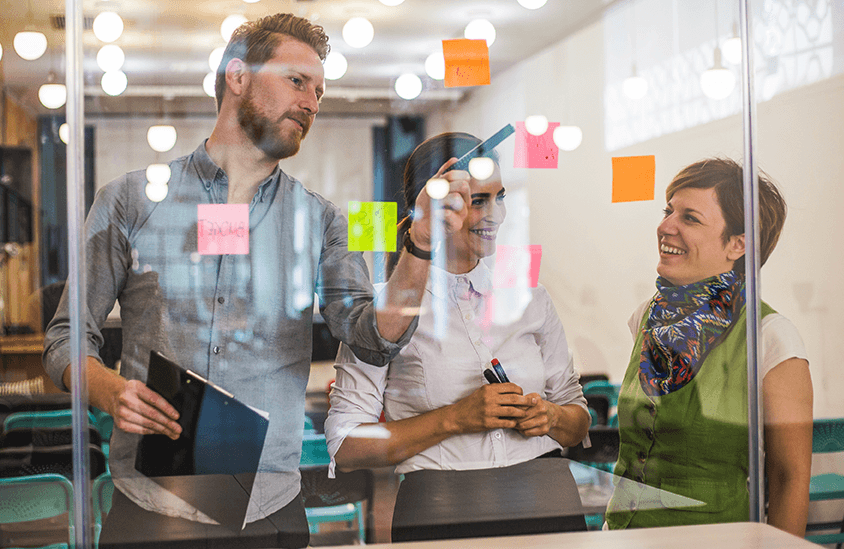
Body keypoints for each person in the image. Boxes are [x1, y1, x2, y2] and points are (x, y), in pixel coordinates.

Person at [42, 13, 470, 546]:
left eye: (320, 90)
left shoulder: (322, 220)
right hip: (151, 506)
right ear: (237, 76)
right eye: (297, 81)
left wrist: (421, 246)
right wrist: (109, 390)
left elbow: (373, 338)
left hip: (269, 514)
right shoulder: (130, 200)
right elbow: (65, 338)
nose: (312, 102)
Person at [325, 133, 592, 533]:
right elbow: (347, 447)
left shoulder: (530, 297)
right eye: (477, 201)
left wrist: (550, 416)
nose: (496, 215)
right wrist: (455, 418)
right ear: (429, 206)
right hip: (442, 509)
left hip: (549, 499)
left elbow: (578, 419)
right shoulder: (385, 314)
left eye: (499, 197)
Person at [605, 158, 812, 536]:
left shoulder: (770, 336)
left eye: (690, 218)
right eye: (668, 211)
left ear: (737, 244)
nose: (665, 226)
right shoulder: (647, 317)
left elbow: (790, 477)